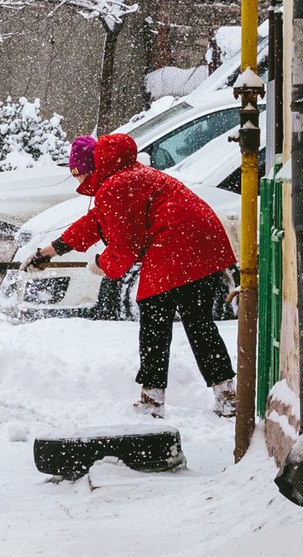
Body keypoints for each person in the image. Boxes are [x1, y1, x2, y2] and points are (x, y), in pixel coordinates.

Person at [30, 132, 238, 417]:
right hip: (204, 242)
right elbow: (96, 223)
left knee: (154, 322)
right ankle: (227, 395)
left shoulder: (114, 186)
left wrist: (102, 264)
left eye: (77, 175)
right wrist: (49, 252)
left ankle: (152, 400)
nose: (78, 182)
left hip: (174, 245)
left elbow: (126, 245)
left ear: (90, 169)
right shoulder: (129, 174)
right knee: (199, 322)